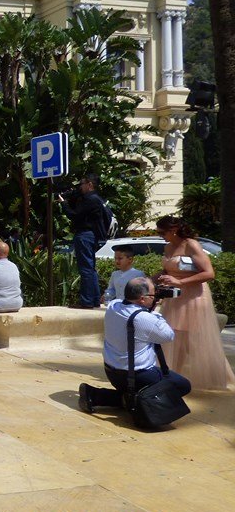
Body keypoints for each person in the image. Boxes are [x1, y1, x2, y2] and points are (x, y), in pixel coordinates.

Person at [78, 277, 192, 414]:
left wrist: (150, 303)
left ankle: (95, 395)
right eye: (153, 294)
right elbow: (168, 336)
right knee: (182, 385)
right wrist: (154, 311)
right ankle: (131, 401)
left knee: (137, 390)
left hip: (112, 373)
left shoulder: (113, 305)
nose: (156, 296)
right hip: (138, 377)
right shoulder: (145, 318)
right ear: (142, 299)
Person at [155, 216, 235, 391]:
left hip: (193, 297)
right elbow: (169, 269)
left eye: (162, 232)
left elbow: (209, 273)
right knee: (173, 336)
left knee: (195, 338)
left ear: (173, 230)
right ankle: (171, 374)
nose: (160, 235)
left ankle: (214, 375)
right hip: (174, 298)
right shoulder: (168, 247)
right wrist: (155, 278)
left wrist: (180, 282)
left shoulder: (191, 245)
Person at [62, 173, 108, 308]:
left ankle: (87, 301)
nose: (80, 187)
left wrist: (64, 204)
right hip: (92, 235)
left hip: (85, 235)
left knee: (86, 269)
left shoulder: (90, 200)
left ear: (90, 184)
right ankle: (94, 300)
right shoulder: (97, 199)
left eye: (82, 184)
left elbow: (75, 215)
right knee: (90, 269)